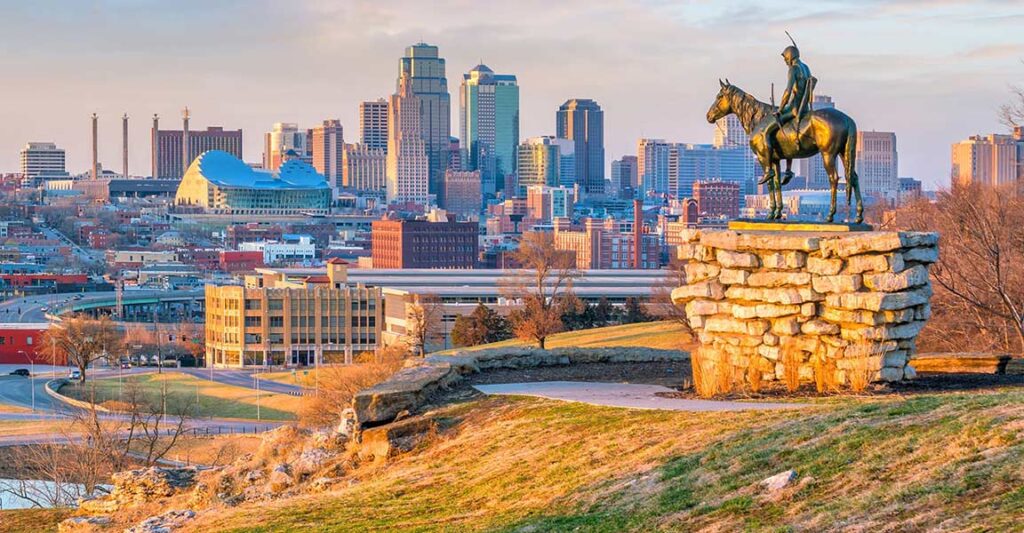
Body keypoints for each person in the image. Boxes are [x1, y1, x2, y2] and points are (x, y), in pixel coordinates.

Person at [761, 42, 813, 184]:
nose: (785, 62)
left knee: (766, 132)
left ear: (790, 56)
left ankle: (768, 169)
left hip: (794, 108)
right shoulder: (806, 68)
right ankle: (789, 170)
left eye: (785, 59)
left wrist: (780, 109)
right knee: (786, 133)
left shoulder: (794, 69)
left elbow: (788, 91)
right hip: (805, 108)